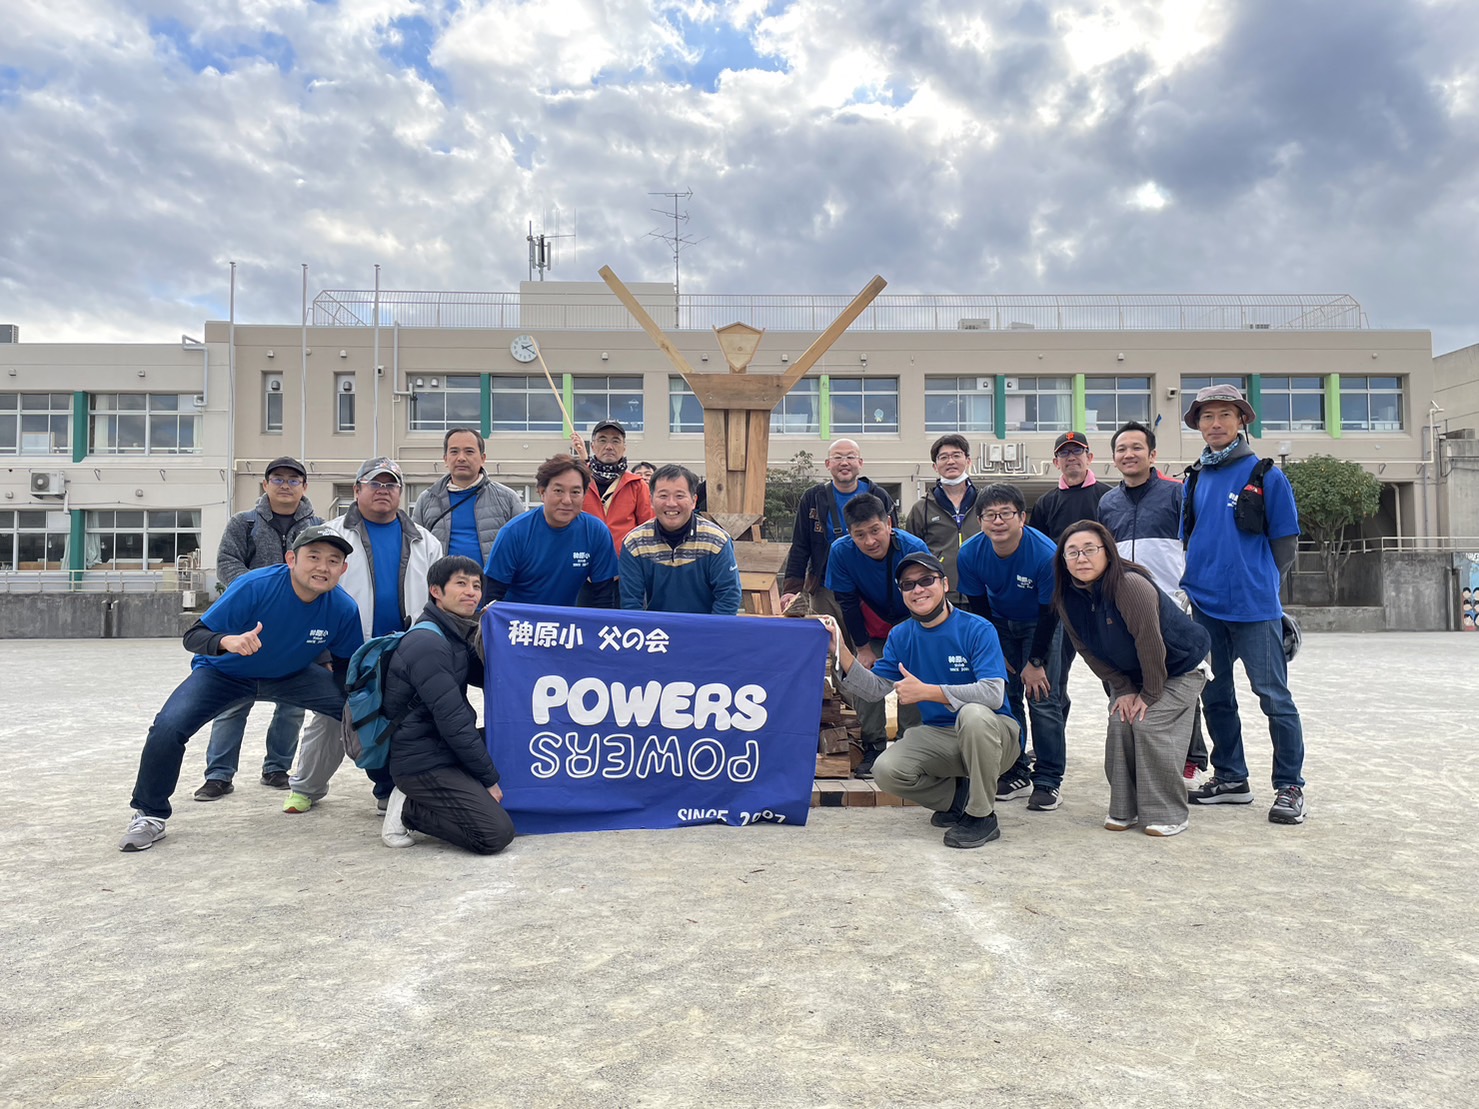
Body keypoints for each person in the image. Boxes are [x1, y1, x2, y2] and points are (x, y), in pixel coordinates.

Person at [118, 526, 364, 851]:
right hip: (224, 674)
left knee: (363, 711)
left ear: (343, 569)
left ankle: (390, 793)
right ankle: (149, 815)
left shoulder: (343, 608)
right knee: (168, 727)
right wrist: (226, 641)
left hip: (291, 675)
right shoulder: (255, 586)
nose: (323, 567)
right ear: (291, 559)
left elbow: (347, 665)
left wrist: (354, 701)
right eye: (314, 557)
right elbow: (194, 636)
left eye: (333, 561)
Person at [823, 552, 1021, 849]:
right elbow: (874, 690)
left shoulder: (977, 628)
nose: (918, 590)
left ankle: (982, 816)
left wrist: (929, 692)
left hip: (994, 735)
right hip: (941, 735)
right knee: (885, 769)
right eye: (908, 584)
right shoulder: (901, 635)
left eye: (926, 580)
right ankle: (958, 799)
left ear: (945, 584)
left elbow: (993, 694)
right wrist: (841, 649)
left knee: (973, 715)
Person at [283, 458, 443, 815]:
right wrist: (321, 652)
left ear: (401, 492)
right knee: (332, 718)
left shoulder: (425, 541)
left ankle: (391, 790)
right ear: (357, 490)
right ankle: (306, 787)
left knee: (401, 721)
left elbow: (436, 596)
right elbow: (309, 594)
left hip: (406, 648)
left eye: (391, 485)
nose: (383, 491)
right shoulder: (330, 535)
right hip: (348, 650)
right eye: (375, 483)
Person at [1180, 383, 1307, 825]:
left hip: (1255, 607)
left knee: (1274, 696)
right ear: (1198, 425)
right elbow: (1193, 537)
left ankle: (1290, 785)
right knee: (1215, 694)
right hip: (1204, 603)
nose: (1215, 424)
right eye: (1207, 416)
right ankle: (1231, 777)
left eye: (1224, 415)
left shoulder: (1266, 475)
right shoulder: (1196, 476)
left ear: (1241, 421)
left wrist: (1261, 583)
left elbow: (1285, 544)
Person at [1053, 521, 1211, 837]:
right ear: (1063, 560)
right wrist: (1123, 688)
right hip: (1131, 676)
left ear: (1108, 552)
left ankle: (1168, 813)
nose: (1081, 558)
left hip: (1181, 667)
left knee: (1147, 722)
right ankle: (1124, 808)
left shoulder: (1129, 585)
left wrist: (1149, 695)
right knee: (1119, 721)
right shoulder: (1066, 597)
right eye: (1072, 552)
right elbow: (1085, 649)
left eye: (1089, 549)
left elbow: (1149, 643)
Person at [192, 456, 322, 801]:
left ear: (304, 487)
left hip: (297, 626)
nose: (285, 485)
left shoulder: (317, 526)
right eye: (277, 479)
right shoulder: (244, 522)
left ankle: (277, 768)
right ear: (265, 485)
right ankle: (219, 775)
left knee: (292, 704)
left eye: (293, 480)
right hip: (246, 626)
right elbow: (227, 562)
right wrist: (258, 592)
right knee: (233, 700)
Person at [378, 556, 516, 854]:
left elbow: (492, 679)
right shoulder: (428, 643)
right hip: (422, 760)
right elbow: (454, 722)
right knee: (495, 834)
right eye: (461, 583)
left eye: (476, 585)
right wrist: (489, 780)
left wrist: (492, 631)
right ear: (436, 591)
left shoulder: (456, 632)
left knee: (520, 741)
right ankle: (409, 808)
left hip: (443, 746)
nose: (471, 592)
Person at [1098, 419, 1210, 785]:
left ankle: (1191, 758)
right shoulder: (1108, 502)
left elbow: (1196, 544)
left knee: (1179, 678)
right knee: (1128, 678)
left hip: (1171, 604)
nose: (1128, 454)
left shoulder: (1178, 494)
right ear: (1114, 457)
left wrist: (1189, 592)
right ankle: (1136, 753)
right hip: (1124, 605)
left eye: (1136, 448)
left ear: (1152, 455)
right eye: (1121, 449)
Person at [956, 484, 1068, 812]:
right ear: (979, 520)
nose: (998, 521)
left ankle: (1048, 779)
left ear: (1022, 517)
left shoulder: (1045, 554)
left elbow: (1051, 611)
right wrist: (994, 650)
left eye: (1006, 513)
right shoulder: (970, 553)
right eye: (989, 515)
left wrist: (1036, 661)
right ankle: (1015, 770)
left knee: (1042, 698)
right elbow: (979, 607)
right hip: (999, 623)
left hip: (1040, 622)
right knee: (1005, 697)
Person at [824, 493, 932, 775]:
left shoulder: (913, 547)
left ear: (888, 524)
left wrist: (915, 638)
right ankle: (873, 747)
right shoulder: (841, 552)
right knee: (863, 678)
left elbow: (926, 597)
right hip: (870, 624)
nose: (870, 541)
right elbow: (846, 601)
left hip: (910, 622)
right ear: (850, 535)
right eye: (860, 535)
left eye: (875, 531)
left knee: (913, 680)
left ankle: (911, 745)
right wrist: (862, 648)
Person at [1028, 431, 1110, 731]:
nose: (1071, 457)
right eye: (1064, 453)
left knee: (1116, 671)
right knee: (1055, 676)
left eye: (1077, 451)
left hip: (1103, 599)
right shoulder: (1046, 503)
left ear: (1090, 457)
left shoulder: (1109, 497)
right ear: (1055, 462)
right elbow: (1036, 554)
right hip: (1061, 601)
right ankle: (1053, 742)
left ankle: (1127, 736)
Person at [779, 438, 896, 630]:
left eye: (850, 457)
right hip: (825, 587)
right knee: (827, 641)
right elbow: (801, 546)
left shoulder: (879, 496)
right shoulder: (812, 498)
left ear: (860, 463)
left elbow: (893, 541)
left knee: (869, 644)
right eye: (838, 458)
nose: (844, 462)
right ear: (828, 464)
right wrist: (791, 590)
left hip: (869, 588)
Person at [483, 454, 619, 608]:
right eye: (558, 491)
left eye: (575, 492)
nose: (567, 500)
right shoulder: (514, 533)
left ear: (584, 495)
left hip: (565, 620)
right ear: (542, 492)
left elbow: (604, 597)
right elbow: (491, 597)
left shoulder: (596, 532)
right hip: (519, 620)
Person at [619, 464, 742, 615]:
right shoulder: (634, 543)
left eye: (679, 496)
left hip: (704, 626)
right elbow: (631, 603)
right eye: (663, 496)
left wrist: (710, 629)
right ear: (651, 500)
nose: (671, 503)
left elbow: (728, 597)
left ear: (694, 501)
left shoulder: (716, 541)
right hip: (654, 628)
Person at [411, 427, 524, 565]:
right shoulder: (427, 500)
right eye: (454, 452)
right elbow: (415, 548)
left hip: (492, 579)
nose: (461, 458)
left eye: (469, 452)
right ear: (445, 459)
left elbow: (523, 547)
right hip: (441, 579)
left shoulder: (507, 498)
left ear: (483, 458)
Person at [904, 434, 981, 602]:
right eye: (943, 457)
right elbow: (912, 555)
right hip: (939, 595)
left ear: (968, 461)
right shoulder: (921, 509)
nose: (950, 461)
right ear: (935, 466)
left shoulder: (985, 504)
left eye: (956, 455)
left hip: (983, 592)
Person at [569, 420, 654, 556]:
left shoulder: (637, 485)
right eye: (602, 440)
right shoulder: (577, 481)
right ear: (593, 446)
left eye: (615, 441)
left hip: (625, 562)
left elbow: (648, 528)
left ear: (624, 447)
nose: (609, 447)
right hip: (582, 560)